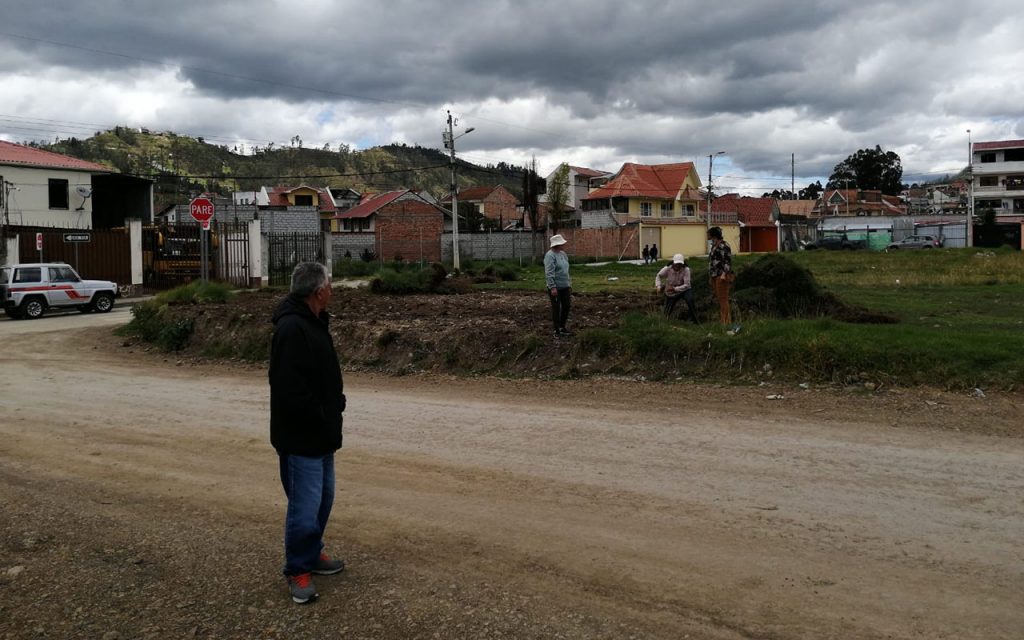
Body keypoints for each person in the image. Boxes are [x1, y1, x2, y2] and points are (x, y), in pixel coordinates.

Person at [269, 261, 347, 604]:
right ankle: (298, 569)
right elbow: (288, 389)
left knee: (322, 500)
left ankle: (313, 554)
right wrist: (320, 414)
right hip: (302, 437)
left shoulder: (314, 321)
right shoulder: (291, 329)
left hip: (322, 433)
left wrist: (335, 404)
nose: (332, 289)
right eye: (329, 284)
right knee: (304, 507)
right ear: (318, 292)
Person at [655, 253, 699, 323]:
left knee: (690, 300)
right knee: (667, 310)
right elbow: (658, 276)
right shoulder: (667, 269)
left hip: (684, 290)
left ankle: (695, 320)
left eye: (680, 264)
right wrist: (658, 286)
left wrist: (675, 289)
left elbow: (687, 285)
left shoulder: (686, 270)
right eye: (676, 264)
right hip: (671, 291)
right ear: (673, 263)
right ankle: (666, 320)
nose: (678, 266)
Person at [544, 233, 573, 337]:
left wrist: (569, 284)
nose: (563, 245)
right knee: (556, 308)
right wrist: (552, 287)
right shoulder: (550, 256)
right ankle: (556, 330)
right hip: (556, 287)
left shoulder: (563, 254)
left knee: (567, 306)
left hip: (565, 286)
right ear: (557, 244)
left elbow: (566, 270)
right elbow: (549, 272)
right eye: (561, 244)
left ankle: (562, 327)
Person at [707, 226, 736, 326]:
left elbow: (727, 261)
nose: (707, 236)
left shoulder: (724, 246)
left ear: (714, 235)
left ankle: (726, 321)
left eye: (709, 234)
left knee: (723, 298)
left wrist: (724, 274)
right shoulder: (714, 245)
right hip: (714, 275)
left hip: (721, 275)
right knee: (719, 298)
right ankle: (723, 319)